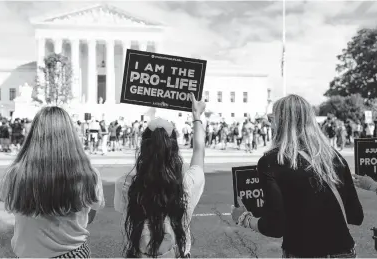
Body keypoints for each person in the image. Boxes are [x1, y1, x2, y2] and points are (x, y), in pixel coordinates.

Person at [231, 94, 364, 258]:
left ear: (280, 123)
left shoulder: (272, 161)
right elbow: (356, 215)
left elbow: (274, 227)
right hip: (345, 251)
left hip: (303, 251)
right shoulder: (334, 156)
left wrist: (244, 218)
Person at [0, 106, 105, 258]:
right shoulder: (89, 174)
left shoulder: (15, 174)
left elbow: (15, 207)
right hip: (74, 253)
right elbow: (89, 216)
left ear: (34, 134)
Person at [114, 94, 206, 258]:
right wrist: (197, 117)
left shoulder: (125, 183)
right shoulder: (186, 183)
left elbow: (121, 209)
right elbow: (199, 151)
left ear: (143, 148)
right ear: (174, 149)